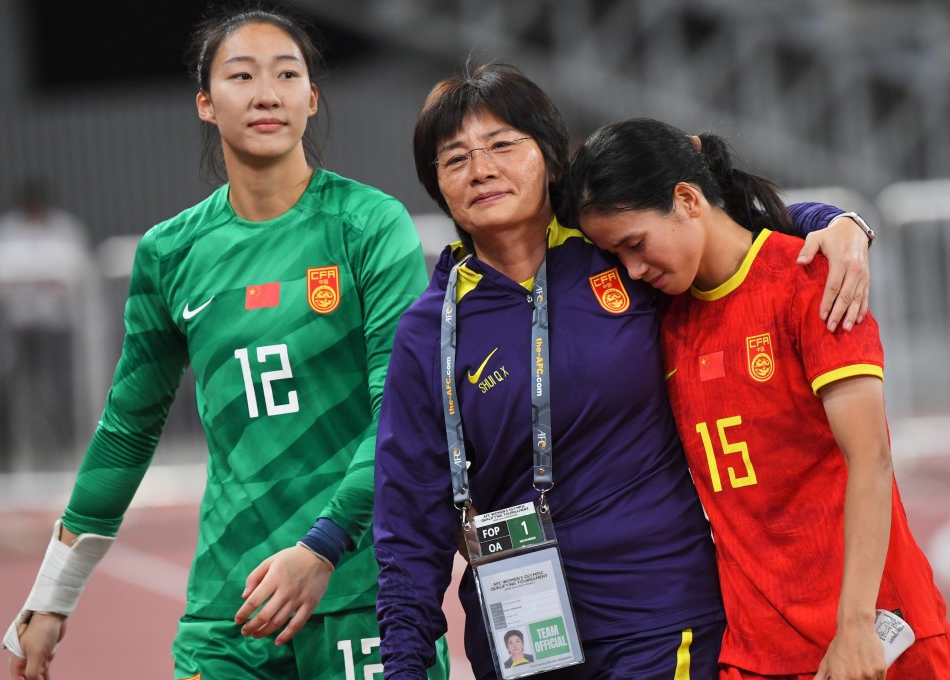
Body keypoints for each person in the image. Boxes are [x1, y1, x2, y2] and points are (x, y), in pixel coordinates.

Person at [373, 62, 874, 680]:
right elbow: (406, 526)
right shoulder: (430, 331)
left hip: (663, 617)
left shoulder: (618, 254)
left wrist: (834, 223)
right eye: (455, 160)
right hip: (521, 637)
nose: (481, 170)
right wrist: (401, 667)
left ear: (552, 158)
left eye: (503, 145)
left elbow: (722, 231)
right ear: (437, 186)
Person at [1, 6, 448, 680]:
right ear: (206, 103)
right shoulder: (171, 253)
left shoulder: (367, 225)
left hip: (361, 592)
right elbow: (127, 429)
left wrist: (322, 549)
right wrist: (52, 597)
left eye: (286, 74)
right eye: (241, 76)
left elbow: (402, 415)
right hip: (229, 610)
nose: (266, 93)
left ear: (311, 98)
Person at [566, 117, 950, 680]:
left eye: (635, 244)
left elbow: (871, 459)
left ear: (687, 199)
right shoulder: (660, 318)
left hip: (874, 636)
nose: (633, 269)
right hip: (755, 652)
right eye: (616, 256)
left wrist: (854, 627)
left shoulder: (812, 278)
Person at [0, 176, 92, 467]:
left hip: (54, 326)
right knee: (6, 391)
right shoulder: (5, 231)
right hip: (16, 327)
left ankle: (60, 456)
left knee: (60, 391)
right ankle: (0, 461)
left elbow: (76, 274)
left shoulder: (64, 231)